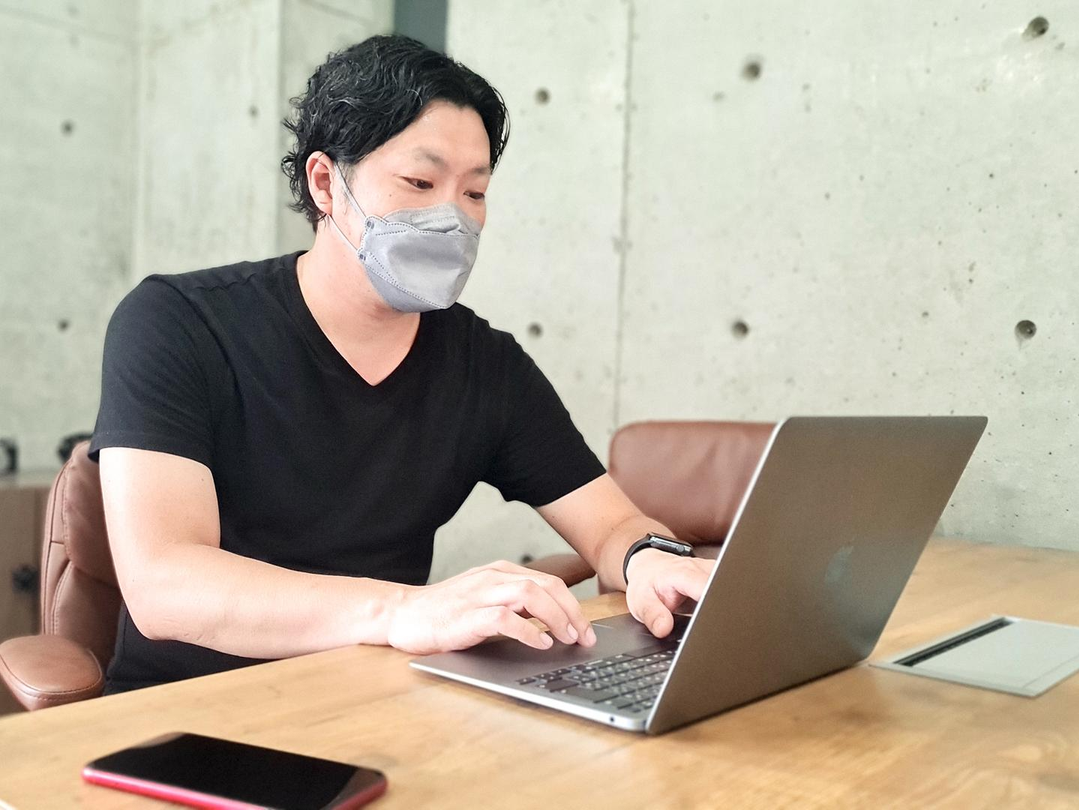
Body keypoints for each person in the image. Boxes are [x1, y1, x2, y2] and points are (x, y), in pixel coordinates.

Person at [90, 35, 714, 694]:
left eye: (475, 192)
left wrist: (650, 559)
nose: (452, 217)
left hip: (377, 705)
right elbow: (164, 583)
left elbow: (611, 525)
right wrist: (402, 611)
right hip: (185, 712)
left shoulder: (486, 367)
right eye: (420, 182)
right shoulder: (180, 323)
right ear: (325, 183)